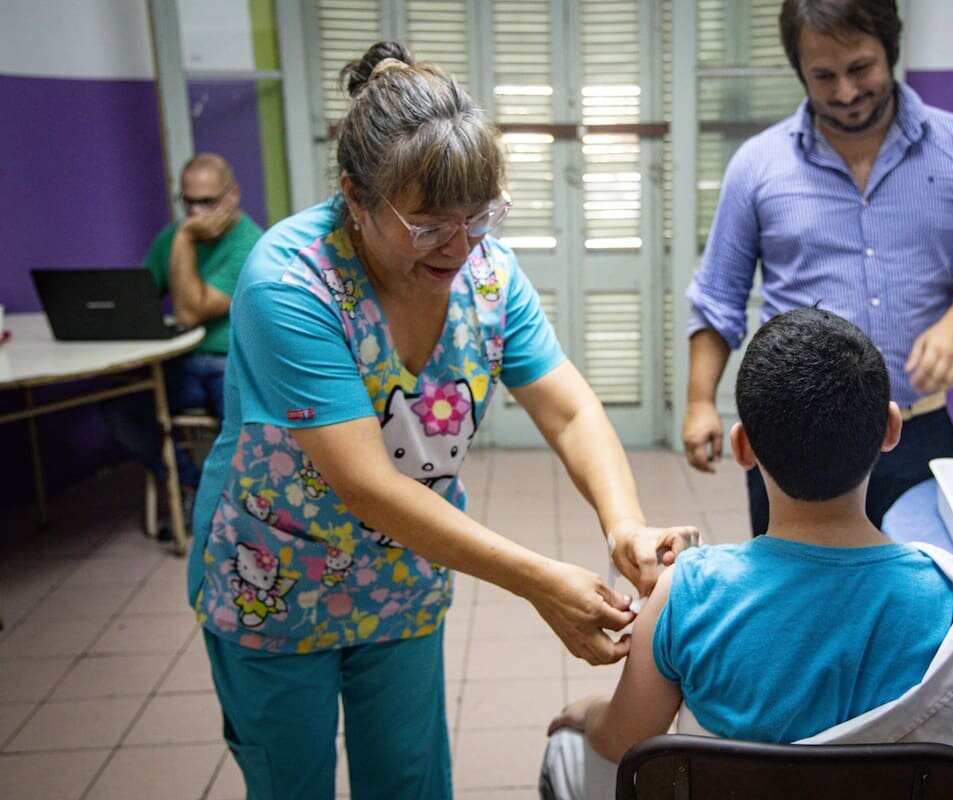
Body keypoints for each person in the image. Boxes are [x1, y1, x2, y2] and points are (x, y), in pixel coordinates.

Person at [186, 42, 698, 800]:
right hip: (273, 584)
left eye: (480, 216)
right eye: (428, 225)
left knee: (408, 778)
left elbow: (567, 408)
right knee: (289, 782)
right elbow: (363, 483)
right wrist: (537, 581)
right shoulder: (290, 283)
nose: (460, 247)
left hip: (403, 580)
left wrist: (623, 524)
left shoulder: (488, 274)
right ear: (356, 196)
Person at [541, 308, 953, 798]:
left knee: (568, 750)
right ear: (891, 430)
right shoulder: (948, 596)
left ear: (742, 447)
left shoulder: (686, 591)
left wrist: (587, 710)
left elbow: (623, 740)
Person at [682, 0, 953, 531]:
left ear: (891, 49)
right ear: (800, 70)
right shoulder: (757, 165)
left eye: (860, 68)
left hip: (918, 429)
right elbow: (717, 297)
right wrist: (700, 401)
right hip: (792, 432)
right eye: (823, 76)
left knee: (917, 597)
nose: (844, 92)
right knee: (799, 604)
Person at [101, 153, 262, 515]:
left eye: (206, 201)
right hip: (182, 363)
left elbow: (190, 311)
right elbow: (139, 297)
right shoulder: (173, 237)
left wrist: (186, 238)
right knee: (120, 409)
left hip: (230, 363)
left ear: (232, 195)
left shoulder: (251, 244)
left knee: (247, 432)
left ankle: (232, 506)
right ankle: (188, 484)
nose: (194, 212)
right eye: (187, 201)